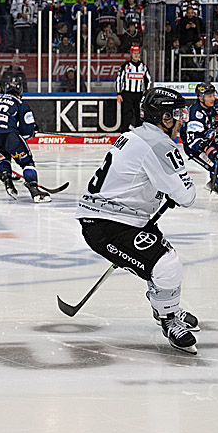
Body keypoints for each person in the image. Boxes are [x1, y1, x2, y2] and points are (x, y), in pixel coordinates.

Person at [75, 87, 199, 354]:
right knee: (166, 265)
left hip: (115, 218)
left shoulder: (134, 135)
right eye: (177, 114)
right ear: (164, 117)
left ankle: (168, 307)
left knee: (164, 260)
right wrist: (174, 189)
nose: (181, 120)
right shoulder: (159, 144)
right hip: (109, 225)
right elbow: (186, 196)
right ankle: (168, 320)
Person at [0, 77, 48, 202]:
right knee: (27, 163)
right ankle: (35, 191)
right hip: (7, 134)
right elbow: (26, 131)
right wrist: (32, 132)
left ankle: (8, 182)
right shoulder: (20, 103)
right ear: (20, 90)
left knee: (2, 158)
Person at [181, 82, 218, 204]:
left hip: (210, 142)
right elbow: (194, 141)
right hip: (195, 148)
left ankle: (215, 184)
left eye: (213, 95)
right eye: (209, 96)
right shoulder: (195, 114)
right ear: (200, 97)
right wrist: (211, 151)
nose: (213, 98)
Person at [116, 46, 151, 132]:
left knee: (139, 114)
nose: (136, 55)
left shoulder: (143, 66)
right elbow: (119, 79)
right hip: (127, 93)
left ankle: (139, 132)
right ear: (131, 54)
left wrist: (146, 92)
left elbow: (148, 80)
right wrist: (119, 93)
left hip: (139, 94)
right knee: (127, 114)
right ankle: (124, 132)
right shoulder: (125, 66)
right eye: (134, 53)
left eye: (138, 53)